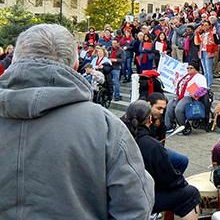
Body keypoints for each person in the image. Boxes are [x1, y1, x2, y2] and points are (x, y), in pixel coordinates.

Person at [0, 24, 154, 219]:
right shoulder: (105, 126)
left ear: (14, 60)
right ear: (75, 66)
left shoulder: (105, 125)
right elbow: (134, 207)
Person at [122, 100, 201, 220]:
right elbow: (170, 179)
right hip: (138, 198)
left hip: (115, 193)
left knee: (180, 161)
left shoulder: (116, 139)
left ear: (126, 117)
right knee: (191, 193)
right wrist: (183, 183)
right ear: (149, 120)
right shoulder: (151, 145)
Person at [145, 92, 189, 174]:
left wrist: (160, 150)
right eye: (159, 108)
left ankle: (172, 183)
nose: (161, 112)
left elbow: (162, 137)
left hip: (156, 149)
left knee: (183, 160)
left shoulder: (159, 118)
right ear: (149, 104)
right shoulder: (138, 116)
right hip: (142, 152)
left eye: (163, 109)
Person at [164, 59, 207, 132]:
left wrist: (195, 94)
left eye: (191, 68)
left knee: (179, 109)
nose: (189, 69)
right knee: (170, 106)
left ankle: (184, 127)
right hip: (181, 96)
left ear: (195, 69)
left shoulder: (199, 77)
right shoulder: (186, 76)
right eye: (188, 68)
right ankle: (168, 126)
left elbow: (203, 88)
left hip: (190, 97)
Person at [196, 20, 219, 88]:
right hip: (202, 52)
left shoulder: (211, 33)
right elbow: (198, 41)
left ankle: (209, 85)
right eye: (204, 25)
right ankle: (205, 84)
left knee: (209, 70)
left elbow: (214, 41)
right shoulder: (203, 34)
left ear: (209, 26)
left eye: (206, 25)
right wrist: (197, 33)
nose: (205, 27)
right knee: (205, 70)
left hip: (208, 52)